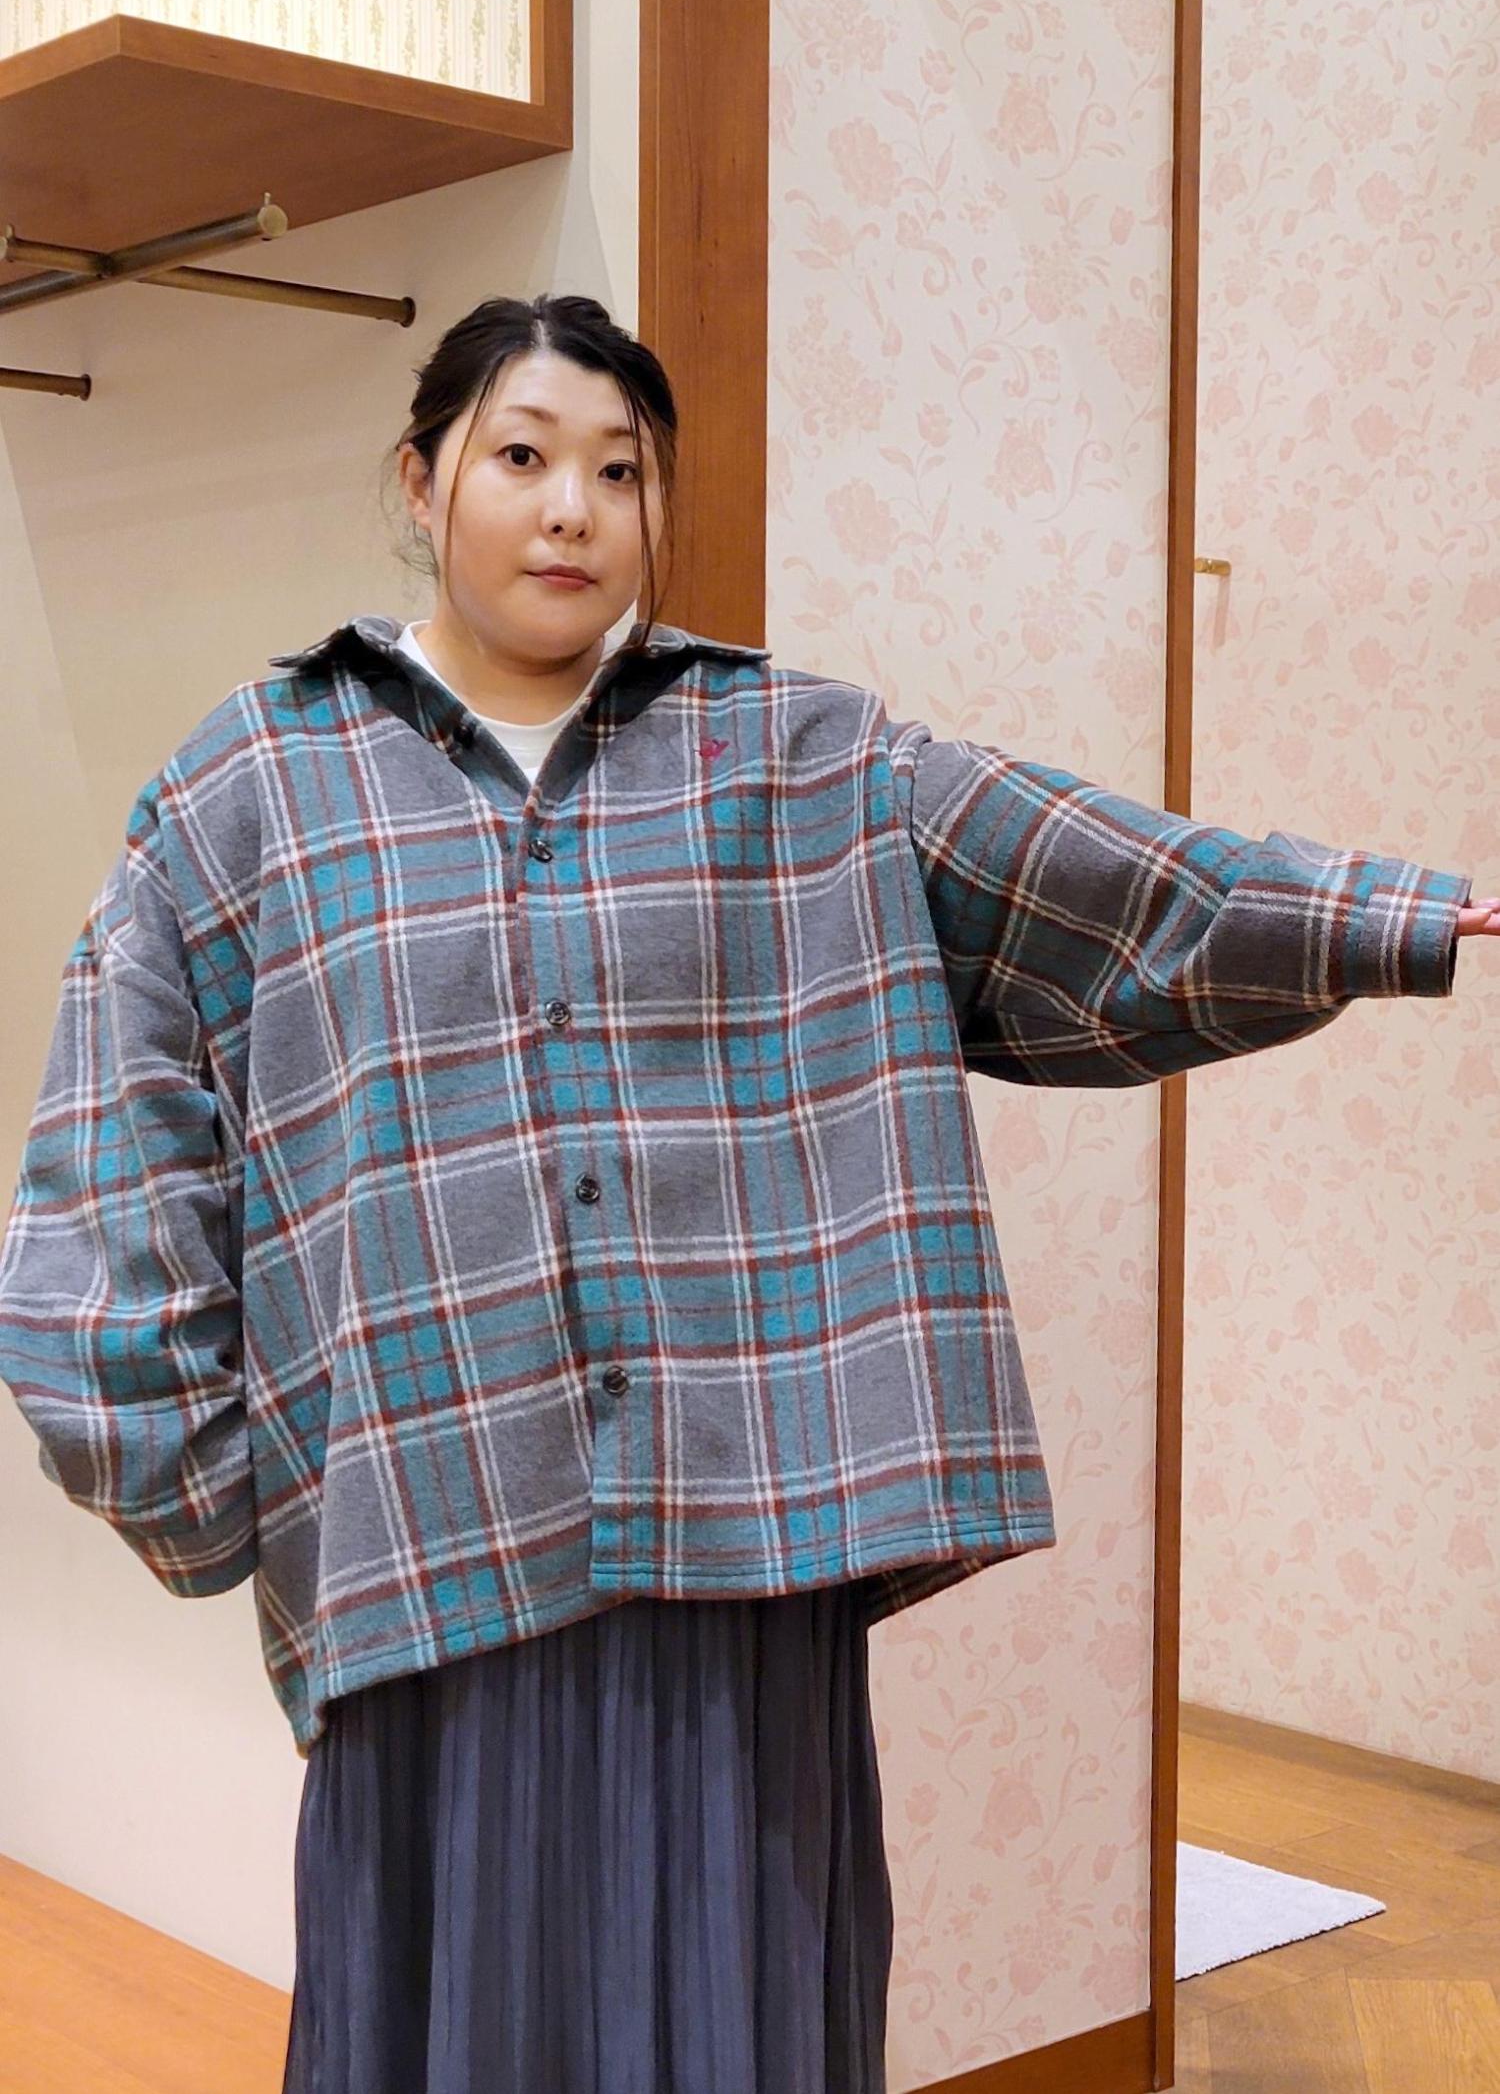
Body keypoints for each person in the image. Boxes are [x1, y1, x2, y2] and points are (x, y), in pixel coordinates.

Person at [0, 292, 1493, 2094]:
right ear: (419, 479)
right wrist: (216, 1494)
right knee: (460, 2027)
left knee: (745, 2013)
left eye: (621, 470)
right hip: (429, 1564)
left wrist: (1399, 914)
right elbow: (111, 1171)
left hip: (746, 1552)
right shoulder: (250, 791)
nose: (574, 508)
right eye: (523, 454)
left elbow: (1103, 883)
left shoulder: (803, 757)